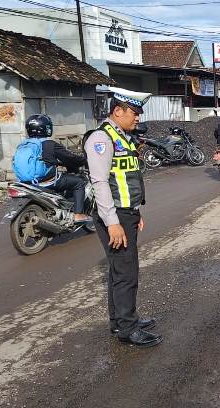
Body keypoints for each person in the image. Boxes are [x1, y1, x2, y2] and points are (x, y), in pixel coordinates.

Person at [83, 87, 162, 347]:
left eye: (139, 113)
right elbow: (100, 182)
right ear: (118, 111)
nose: (138, 117)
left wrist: (134, 212)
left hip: (125, 213)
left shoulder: (123, 137)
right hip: (114, 215)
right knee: (126, 272)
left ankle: (121, 320)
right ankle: (128, 328)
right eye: (134, 112)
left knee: (120, 270)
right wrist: (113, 221)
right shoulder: (101, 139)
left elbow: (126, 180)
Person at [22, 114, 92, 223]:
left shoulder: (24, 144)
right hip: (47, 181)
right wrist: (84, 160)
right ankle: (78, 215)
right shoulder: (50, 144)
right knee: (79, 183)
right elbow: (69, 157)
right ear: (46, 129)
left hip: (28, 182)